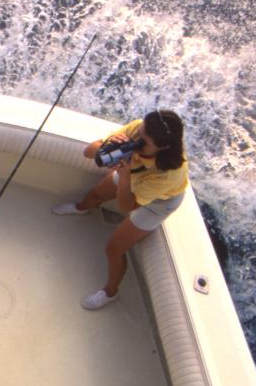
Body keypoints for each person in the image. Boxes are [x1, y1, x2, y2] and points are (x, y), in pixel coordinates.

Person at [51, 110, 188, 310]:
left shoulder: (169, 174)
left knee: (114, 249)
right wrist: (107, 147)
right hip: (132, 174)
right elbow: (89, 152)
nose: (136, 141)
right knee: (96, 194)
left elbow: (128, 206)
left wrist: (124, 176)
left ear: (162, 147)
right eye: (138, 134)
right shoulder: (137, 130)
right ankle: (81, 208)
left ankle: (110, 292)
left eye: (143, 142)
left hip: (158, 202)